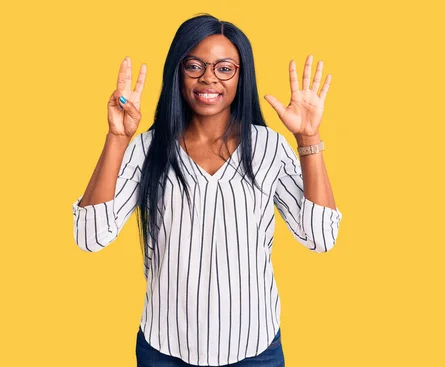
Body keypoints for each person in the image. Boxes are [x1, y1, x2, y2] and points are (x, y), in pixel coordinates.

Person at [71, 13, 342, 367]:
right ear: (178, 72)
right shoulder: (149, 148)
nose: (208, 77)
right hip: (164, 350)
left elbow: (320, 237)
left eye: (224, 68)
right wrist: (118, 138)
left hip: (254, 351)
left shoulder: (268, 148)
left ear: (240, 75)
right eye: (194, 66)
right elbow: (90, 236)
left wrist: (308, 136)